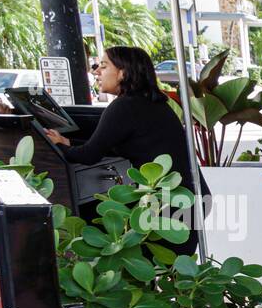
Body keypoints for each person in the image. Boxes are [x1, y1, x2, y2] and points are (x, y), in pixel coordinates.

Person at [45, 45, 208, 255]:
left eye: (103, 66)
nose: (96, 71)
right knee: (171, 271)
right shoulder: (153, 103)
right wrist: (70, 144)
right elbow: (114, 144)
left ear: (123, 73)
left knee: (135, 260)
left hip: (172, 205)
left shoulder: (124, 107)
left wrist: (56, 143)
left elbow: (89, 155)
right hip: (190, 197)